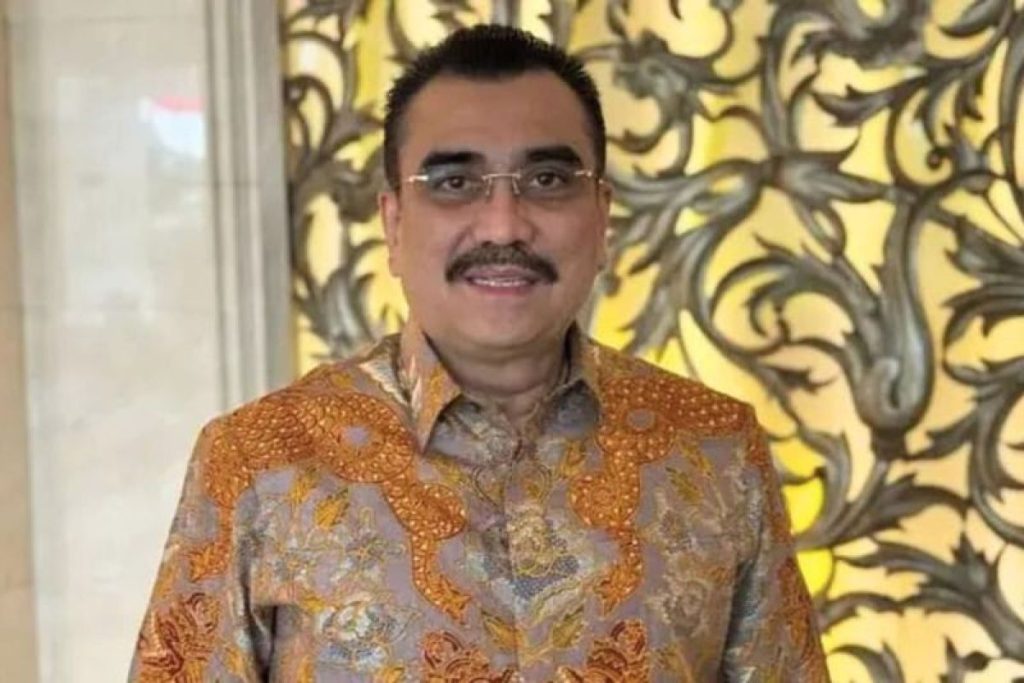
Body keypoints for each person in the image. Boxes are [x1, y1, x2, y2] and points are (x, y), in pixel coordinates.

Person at [130, 24, 828, 682]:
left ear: (602, 217)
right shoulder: (261, 462)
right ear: (393, 223)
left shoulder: (713, 449)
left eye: (547, 180)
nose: (503, 225)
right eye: (455, 183)